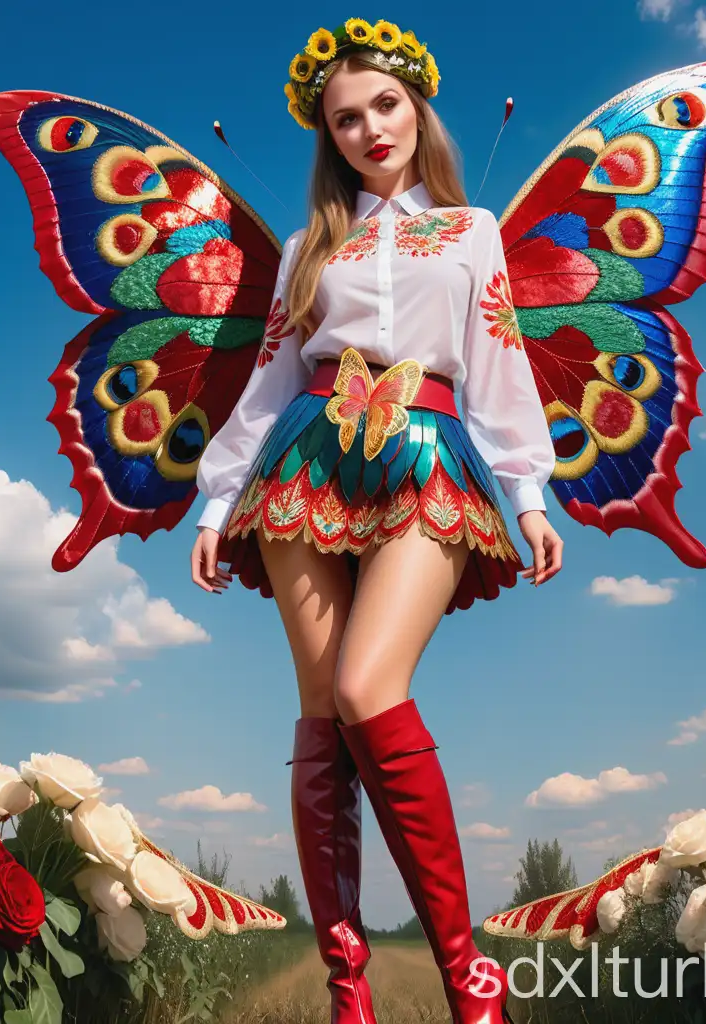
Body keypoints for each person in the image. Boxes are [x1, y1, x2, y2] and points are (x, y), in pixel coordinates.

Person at [190, 18, 562, 1024]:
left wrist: (527, 493)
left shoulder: (473, 229)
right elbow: (271, 379)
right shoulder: (314, 243)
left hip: (429, 455)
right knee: (321, 711)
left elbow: (498, 366)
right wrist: (218, 499)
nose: (367, 129)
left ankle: (465, 976)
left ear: (416, 107)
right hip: (306, 462)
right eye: (344, 118)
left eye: (383, 106)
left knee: (366, 684)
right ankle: (347, 992)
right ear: (329, 135)